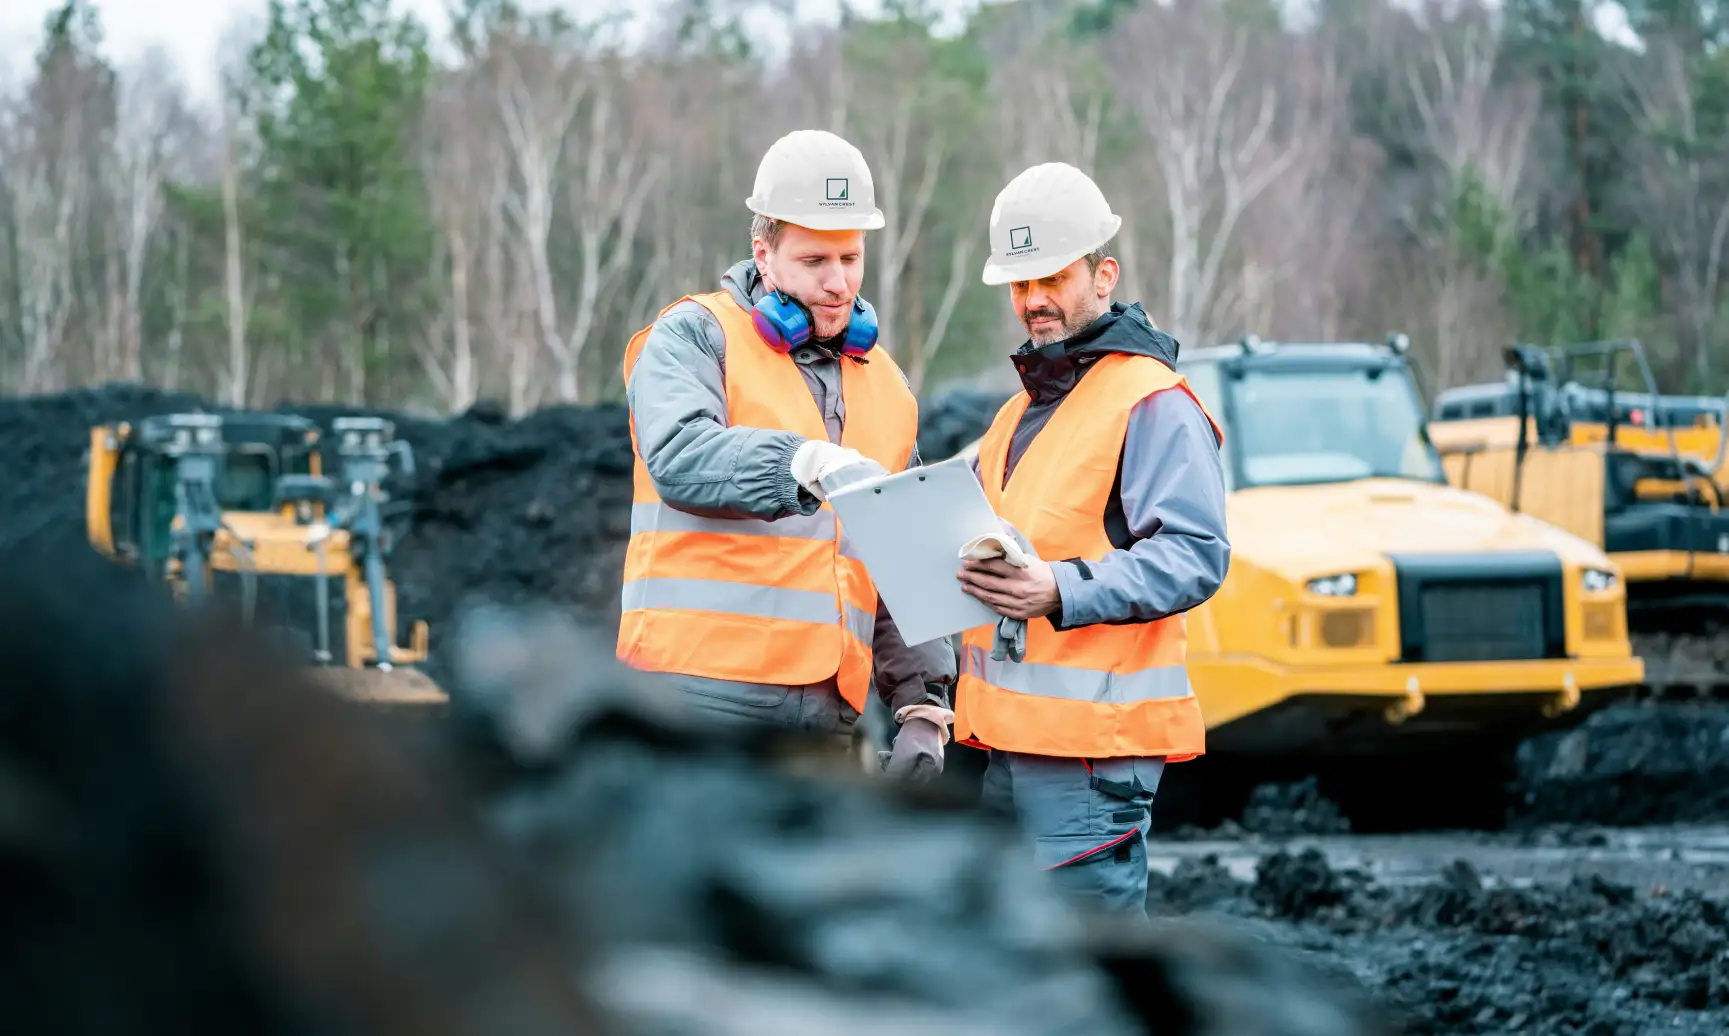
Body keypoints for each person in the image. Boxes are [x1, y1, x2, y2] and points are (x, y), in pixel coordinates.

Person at [616, 128, 954, 781]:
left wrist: (921, 710)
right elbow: (680, 453)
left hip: (824, 717)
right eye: (813, 262)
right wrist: (803, 462)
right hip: (697, 704)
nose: (838, 284)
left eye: (850, 259)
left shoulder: (885, 385)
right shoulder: (694, 335)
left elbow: (908, 561)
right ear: (762, 255)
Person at [953, 162, 1231, 915]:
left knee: (1086, 986)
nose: (1033, 301)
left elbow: (1194, 556)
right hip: (1008, 748)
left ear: (1102, 274)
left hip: (1087, 759)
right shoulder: (1018, 414)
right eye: (1018, 285)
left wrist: (1058, 588)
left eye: (1051, 279)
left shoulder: (1151, 401)